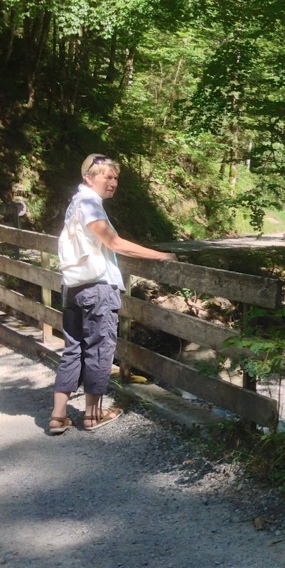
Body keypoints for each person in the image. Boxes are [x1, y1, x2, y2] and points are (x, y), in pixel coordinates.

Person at [48, 154, 177, 435]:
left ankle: (58, 416)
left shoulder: (74, 204)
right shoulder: (90, 204)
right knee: (99, 350)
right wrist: (160, 256)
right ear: (89, 178)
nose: (113, 182)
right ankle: (92, 415)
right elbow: (115, 243)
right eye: (107, 177)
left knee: (73, 349)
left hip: (74, 287)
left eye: (116, 177)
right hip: (97, 288)